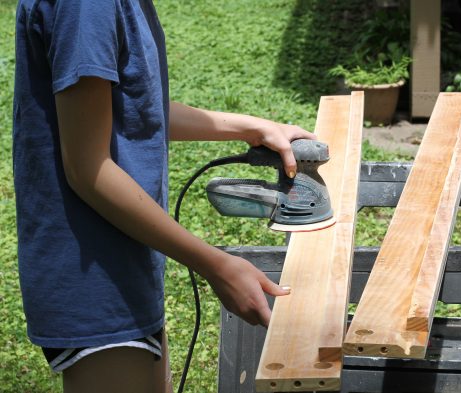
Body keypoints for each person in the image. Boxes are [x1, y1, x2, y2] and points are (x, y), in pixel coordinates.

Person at [12, 1, 314, 391]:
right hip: (95, 277)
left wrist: (250, 127)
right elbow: (88, 170)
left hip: (123, 264)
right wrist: (217, 266)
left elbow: (131, 109)